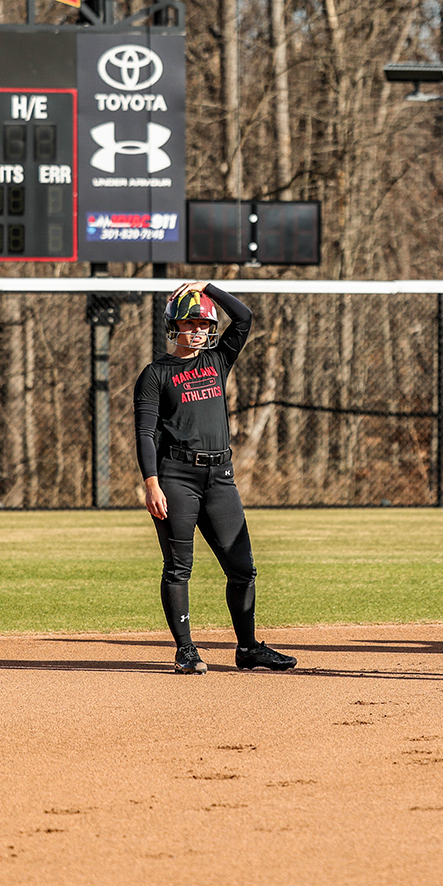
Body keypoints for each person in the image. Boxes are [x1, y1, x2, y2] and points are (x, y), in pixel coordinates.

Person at [133, 282, 296, 675]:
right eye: (190, 323)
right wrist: (151, 483)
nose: (199, 331)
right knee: (178, 567)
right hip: (176, 477)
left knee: (242, 568)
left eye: (204, 323)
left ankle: (248, 648)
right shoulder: (155, 374)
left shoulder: (216, 361)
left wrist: (208, 288)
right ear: (173, 325)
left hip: (220, 477)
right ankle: (186, 651)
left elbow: (244, 318)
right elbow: (145, 433)